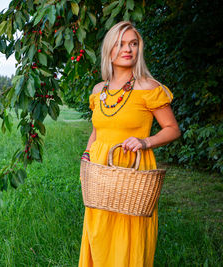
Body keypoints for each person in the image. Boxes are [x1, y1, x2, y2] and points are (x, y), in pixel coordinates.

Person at [78, 21, 181, 266]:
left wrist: (145, 142)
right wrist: (85, 157)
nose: (128, 49)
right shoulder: (99, 90)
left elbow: (173, 129)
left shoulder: (149, 87)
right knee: (100, 236)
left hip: (132, 173)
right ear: (109, 49)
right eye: (121, 44)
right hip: (100, 174)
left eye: (133, 44)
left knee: (129, 238)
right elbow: (97, 131)